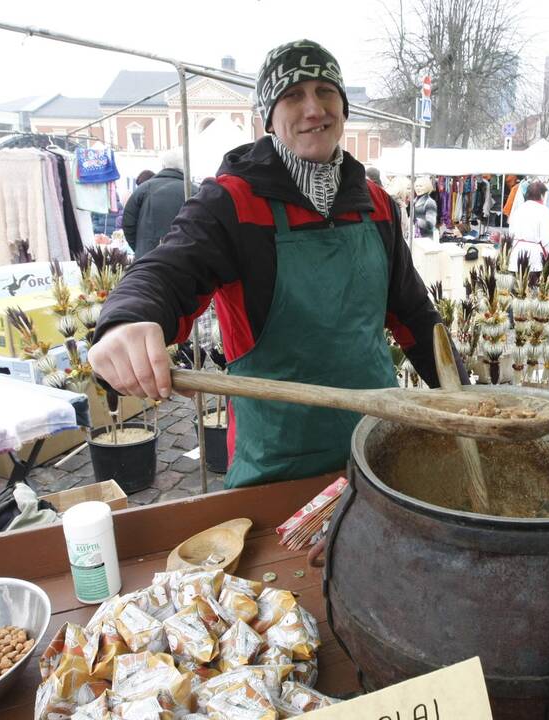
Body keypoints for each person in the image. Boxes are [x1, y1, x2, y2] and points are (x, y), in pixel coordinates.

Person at [89, 39, 459, 489]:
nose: (313, 109)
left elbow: (415, 316)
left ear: (343, 107)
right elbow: (167, 269)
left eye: (326, 91)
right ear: (268, 116)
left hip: (375, 450)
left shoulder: (376, 204)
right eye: (293, 95)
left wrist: (464, 396)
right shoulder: (232, 201)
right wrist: (128, 318)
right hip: (277, 461)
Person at [122, 147, 199, 259]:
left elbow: (128, 222)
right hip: (185, 259)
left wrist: (140, 248)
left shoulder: (144, 188)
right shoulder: (194, 191)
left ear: (163, 165)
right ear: (184, 168)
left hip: (148, 258)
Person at [506, 180, 549, 281]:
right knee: (531, 294)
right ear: (542, 195)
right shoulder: (544, 211)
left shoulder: (518, 210)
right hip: (534, 261)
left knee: (514, 293)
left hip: (515, 258)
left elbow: (510, 235)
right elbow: (548, 240)